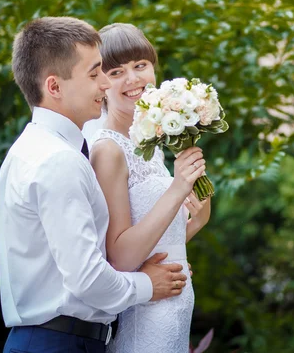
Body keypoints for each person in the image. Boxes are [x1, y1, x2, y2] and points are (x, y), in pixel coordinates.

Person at [0, 17, 189, 353]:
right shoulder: (58, 160)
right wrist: (148, 284)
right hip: (58, 342)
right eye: (94, 73)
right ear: (54, 87)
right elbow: (87, 278)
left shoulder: (37, 148)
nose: (104, 84)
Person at [88, 23, 212, 353]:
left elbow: (154, 241)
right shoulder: (108, 151)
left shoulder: (151, 144)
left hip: (174, 309)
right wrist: (177, 188)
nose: (133, 79)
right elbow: (121, 257)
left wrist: (193, 225)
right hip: (144, 319)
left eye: (140, 65)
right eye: (116, 71)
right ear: (101, 84)